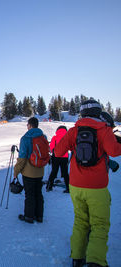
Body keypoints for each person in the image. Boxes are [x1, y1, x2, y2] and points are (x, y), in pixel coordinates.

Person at [55, 99, 121, 267]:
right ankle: (95, 261)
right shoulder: (104, 130)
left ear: (82, 113)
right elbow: (114, 151)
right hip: (97, 187)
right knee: (99, 224)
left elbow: (58, 151)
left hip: (76, 185)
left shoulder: (74, 130)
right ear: (98, 112)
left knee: (80, 221)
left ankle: (77, 258)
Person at [14, 117, 48, 224]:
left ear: (30, 125)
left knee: (29, 195)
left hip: (29, 172)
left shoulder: (25, 138)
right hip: (40, 170)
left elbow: (22, 158)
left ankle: (29, 216)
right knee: (38, 193)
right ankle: (39, 216)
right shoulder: (43, 136)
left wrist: (16, 171)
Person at [46, 126, 70, 193]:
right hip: (65, 157)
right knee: (65, 173)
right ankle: (68, 188)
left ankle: (49, 186)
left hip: (56, 157)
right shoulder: (67, 138)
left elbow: (51, 148)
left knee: (54, 172)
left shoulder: (55, 137)